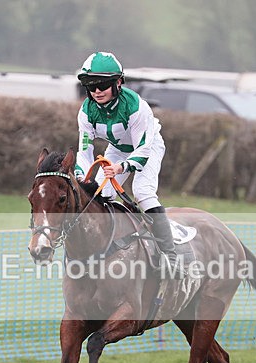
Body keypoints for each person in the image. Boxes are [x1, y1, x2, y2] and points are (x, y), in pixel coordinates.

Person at [74, 51, 185, 278]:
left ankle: (171, 256)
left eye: (102, 84)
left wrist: (121, 168)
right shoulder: (86, 111)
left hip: (148, 147)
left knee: (142, 191)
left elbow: (142, 149)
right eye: (90, 85)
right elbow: (84, 152)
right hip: (116, 149)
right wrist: (82, 178)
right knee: (99, 193)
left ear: (118, 82)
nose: (96, 91)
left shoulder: (135, 106)